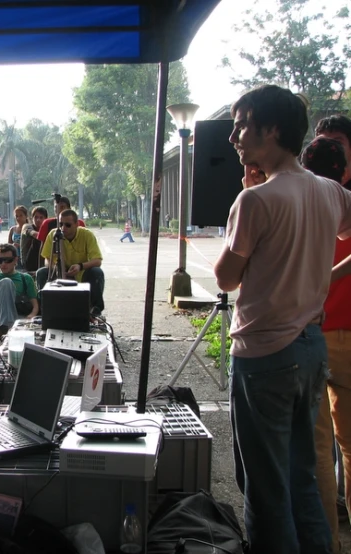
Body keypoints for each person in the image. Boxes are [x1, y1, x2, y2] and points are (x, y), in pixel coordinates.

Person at [213, 85, 351, 554]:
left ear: (272, 130)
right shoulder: (330, 192)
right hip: (310, 346)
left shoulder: (254, 201)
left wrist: (247, 195)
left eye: (243, 124)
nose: (234, 136)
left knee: (266, 489)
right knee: (302, 479)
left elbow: (227, 278)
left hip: (264, 355)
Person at [302, 132, 351, 553]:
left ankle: (327, 545)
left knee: (317, 451)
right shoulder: (342, 200)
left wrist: (323, 280)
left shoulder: (302, 198)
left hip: (312, 333)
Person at [38, 209, 104, 316]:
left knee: (97, 272)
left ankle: (96, 310)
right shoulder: (53, 234)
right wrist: (56, 267)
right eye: (61, 224)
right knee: (41, 273)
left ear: (76, 224)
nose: (63, 228)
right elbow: (47, 258)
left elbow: (97, 261)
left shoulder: (87, 235)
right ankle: (43, 309)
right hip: (59, 273)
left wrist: (80, 266)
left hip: (81, 273)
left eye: (68, 225)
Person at [0, 243, 38, 335]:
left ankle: (4, 327)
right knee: (4, 284)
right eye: (0, 260)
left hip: (16, 314)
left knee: (6, 283)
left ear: (16, 260)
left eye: (8, 260)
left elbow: (35, 305)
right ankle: (6, 328)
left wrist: (31, 316)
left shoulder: (25, 278)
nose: (3, 264)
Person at [21, 206, 47, 272]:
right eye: (36, 217)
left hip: (42, 260)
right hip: (28, 262)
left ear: (45, 219)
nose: (38, 220)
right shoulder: (27, 226)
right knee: (37, 240)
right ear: (32, 218)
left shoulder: (46, 229)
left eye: (41, 217)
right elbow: (33, 233)